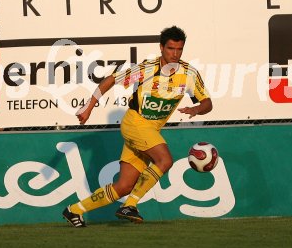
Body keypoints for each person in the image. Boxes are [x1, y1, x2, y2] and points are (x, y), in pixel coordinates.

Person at [62, 26, 213, 227]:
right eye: (170, 49)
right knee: (165, 160)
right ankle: (130, 205)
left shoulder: (189, 74)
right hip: (135, 123)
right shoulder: (147, 69)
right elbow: (111, 80)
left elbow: (208, 103)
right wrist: (89, 106)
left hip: (149, 132)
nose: (175, 54)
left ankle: (74, 210)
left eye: (179, 49)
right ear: (161, 47)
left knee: (123, 186)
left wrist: (197, 109)